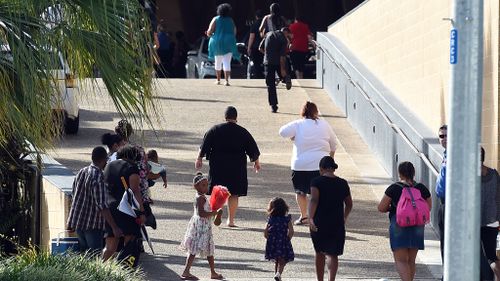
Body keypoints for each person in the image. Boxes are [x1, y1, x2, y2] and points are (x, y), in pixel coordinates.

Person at [196, 106, 261, 227]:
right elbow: (252, 148)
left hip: (218, 165)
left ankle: (215, 214)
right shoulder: (242, 132)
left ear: (225, 117)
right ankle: (231, 220)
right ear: (236, 118)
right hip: (237, 167)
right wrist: (256, 162)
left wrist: (199, 158)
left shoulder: (215, 130)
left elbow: (204, 144)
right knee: (234, 193)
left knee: (217, 191)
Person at [279, 101, 337, 225]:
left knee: (300, 192)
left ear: (303, 112)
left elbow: (282, 132)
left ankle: (304, 216)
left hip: (301, 165)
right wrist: (330, 159)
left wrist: (293, 136)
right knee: (320, 193)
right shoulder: (324, 124)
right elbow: (333, 144)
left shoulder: (299, 124)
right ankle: (319, 217)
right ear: (316, 112)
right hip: (321, 166)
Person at [378, 161, 432, 281]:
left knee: (401, 260)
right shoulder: (422, 188)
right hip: (417, 226)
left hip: (398, 225)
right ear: (413, 173)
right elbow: (428, 207)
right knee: (411, 261)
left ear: (400, 173)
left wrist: (392, 208)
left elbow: (381, 207)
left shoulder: (394, 188)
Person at [66, 146, 123, 254]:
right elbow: (102, 206)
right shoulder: (98, 176)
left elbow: (74, 197)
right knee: (94, 256)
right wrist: (114, 227)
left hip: (78, 222)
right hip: (92, 225)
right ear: (104, 160)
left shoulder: (82, 171)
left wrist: (70, 221)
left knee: (83, 256)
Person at [308, 156, 352, 281]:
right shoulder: (342, 183)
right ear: (333, 168)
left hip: (319, 221)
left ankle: (320, 279)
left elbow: (314, 200)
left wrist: (310, 217)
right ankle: (331, 279)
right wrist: (344, 217)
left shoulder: (316, 181)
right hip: (336, 221)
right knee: (333, 254)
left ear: (321, 168)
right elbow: (349, 204)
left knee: (319, 252)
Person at [102, 144, 146, 261]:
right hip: (125, 208)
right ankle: (125, 271)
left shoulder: (108, 166)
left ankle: (100, 269)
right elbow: (135, 191)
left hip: (109, 208)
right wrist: (141, 212)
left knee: (110, 246)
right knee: (129, 242)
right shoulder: (131, 167)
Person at [180, 172, 223, 280]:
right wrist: (214, 213)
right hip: (201, 227)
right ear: (196, 186)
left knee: (206, 250)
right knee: (195, 249)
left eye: (207, 185)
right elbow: (201, 213)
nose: (206, 187)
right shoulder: (200, 198)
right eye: (203, 185)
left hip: (202, 226)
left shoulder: (201, 196)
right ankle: (187, 271)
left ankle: (212, 272)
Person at [479, 147, 500, 280]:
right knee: (491, 256)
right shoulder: (494, 174)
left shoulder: (469, 175)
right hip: (493, 219)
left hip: (474, 221)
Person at [260, 27, 292, 113]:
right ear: (285, 32)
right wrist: (282, 70)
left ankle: (273, 106)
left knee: (270, 84)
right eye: (288, 35)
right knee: (284, 71)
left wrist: (267, 55)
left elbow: (260, 48)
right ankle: (286, 78)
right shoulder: (283, 39)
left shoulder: (268, 34)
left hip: (268, 62)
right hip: (278, 62)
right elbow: (282, 57)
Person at [206, 3, 239, 86]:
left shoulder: (215, 19)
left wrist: (209, 34)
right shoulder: (230, 20)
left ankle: (218, 80)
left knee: (218, 61)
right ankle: (227, 81)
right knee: (227, 62)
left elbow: (210, 31)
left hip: (217, 42)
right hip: (229, 42)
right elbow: (234, 31)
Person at [264, 197, 295, 281]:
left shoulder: (271, 219)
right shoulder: (286, 219)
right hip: (283, 241)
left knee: (277, 259)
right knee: (283, 259)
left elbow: (266, 232)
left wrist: (269, 239)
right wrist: (288, 239)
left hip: (273, 241)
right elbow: (291, 231)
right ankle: (278, 274)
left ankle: (276, 274)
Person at [435, 124, 447, 264]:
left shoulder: (454, 154)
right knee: (443, 240)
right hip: (443, 201)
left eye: (446, 136)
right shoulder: (445, 155)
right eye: (441, 136)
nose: (444, 139)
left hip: (451, 202)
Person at [289, 14, 312, 79]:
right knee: (301, 64)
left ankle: (298, 78)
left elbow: (290, 36)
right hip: (303, 48)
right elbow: (309, 37)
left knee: (295, 64)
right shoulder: (306, 26)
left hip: (294, 48)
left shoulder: (291, 26)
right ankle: (301, 78)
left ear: (295, 20)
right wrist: (313, 45)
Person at [247, 10, 265, 79]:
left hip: (256, 47)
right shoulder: (266, 24)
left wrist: (249, 47)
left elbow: (252, 37)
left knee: (257, 63)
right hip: (265, 46)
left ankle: (259, 76)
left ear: (256, 16)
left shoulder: (254, 24)